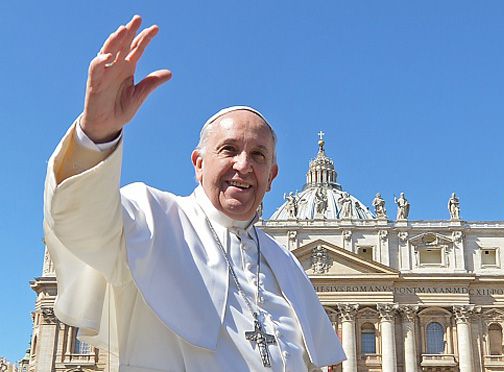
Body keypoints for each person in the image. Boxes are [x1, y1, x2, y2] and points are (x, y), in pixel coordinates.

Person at [43, 15, 344, 372]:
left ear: (272, 176)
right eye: (229, 150)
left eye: (258, 156)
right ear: (199, 163)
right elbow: (81, 219)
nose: (244, 166)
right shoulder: (152, 218)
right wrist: (96, 135)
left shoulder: (288, 265)